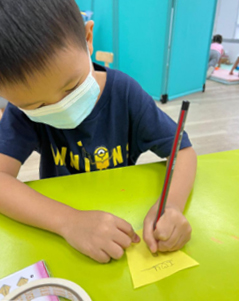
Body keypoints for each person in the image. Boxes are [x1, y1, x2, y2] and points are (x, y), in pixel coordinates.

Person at [0, 0, 197, 263]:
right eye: (37, 106)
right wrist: (67, 222)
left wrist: (172, 205)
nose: (61, 107)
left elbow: (183, 151)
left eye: (71, 87)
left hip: (126, 211)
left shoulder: (126, 94)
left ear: (88, 37)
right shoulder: (19, 111)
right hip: (63, 228)